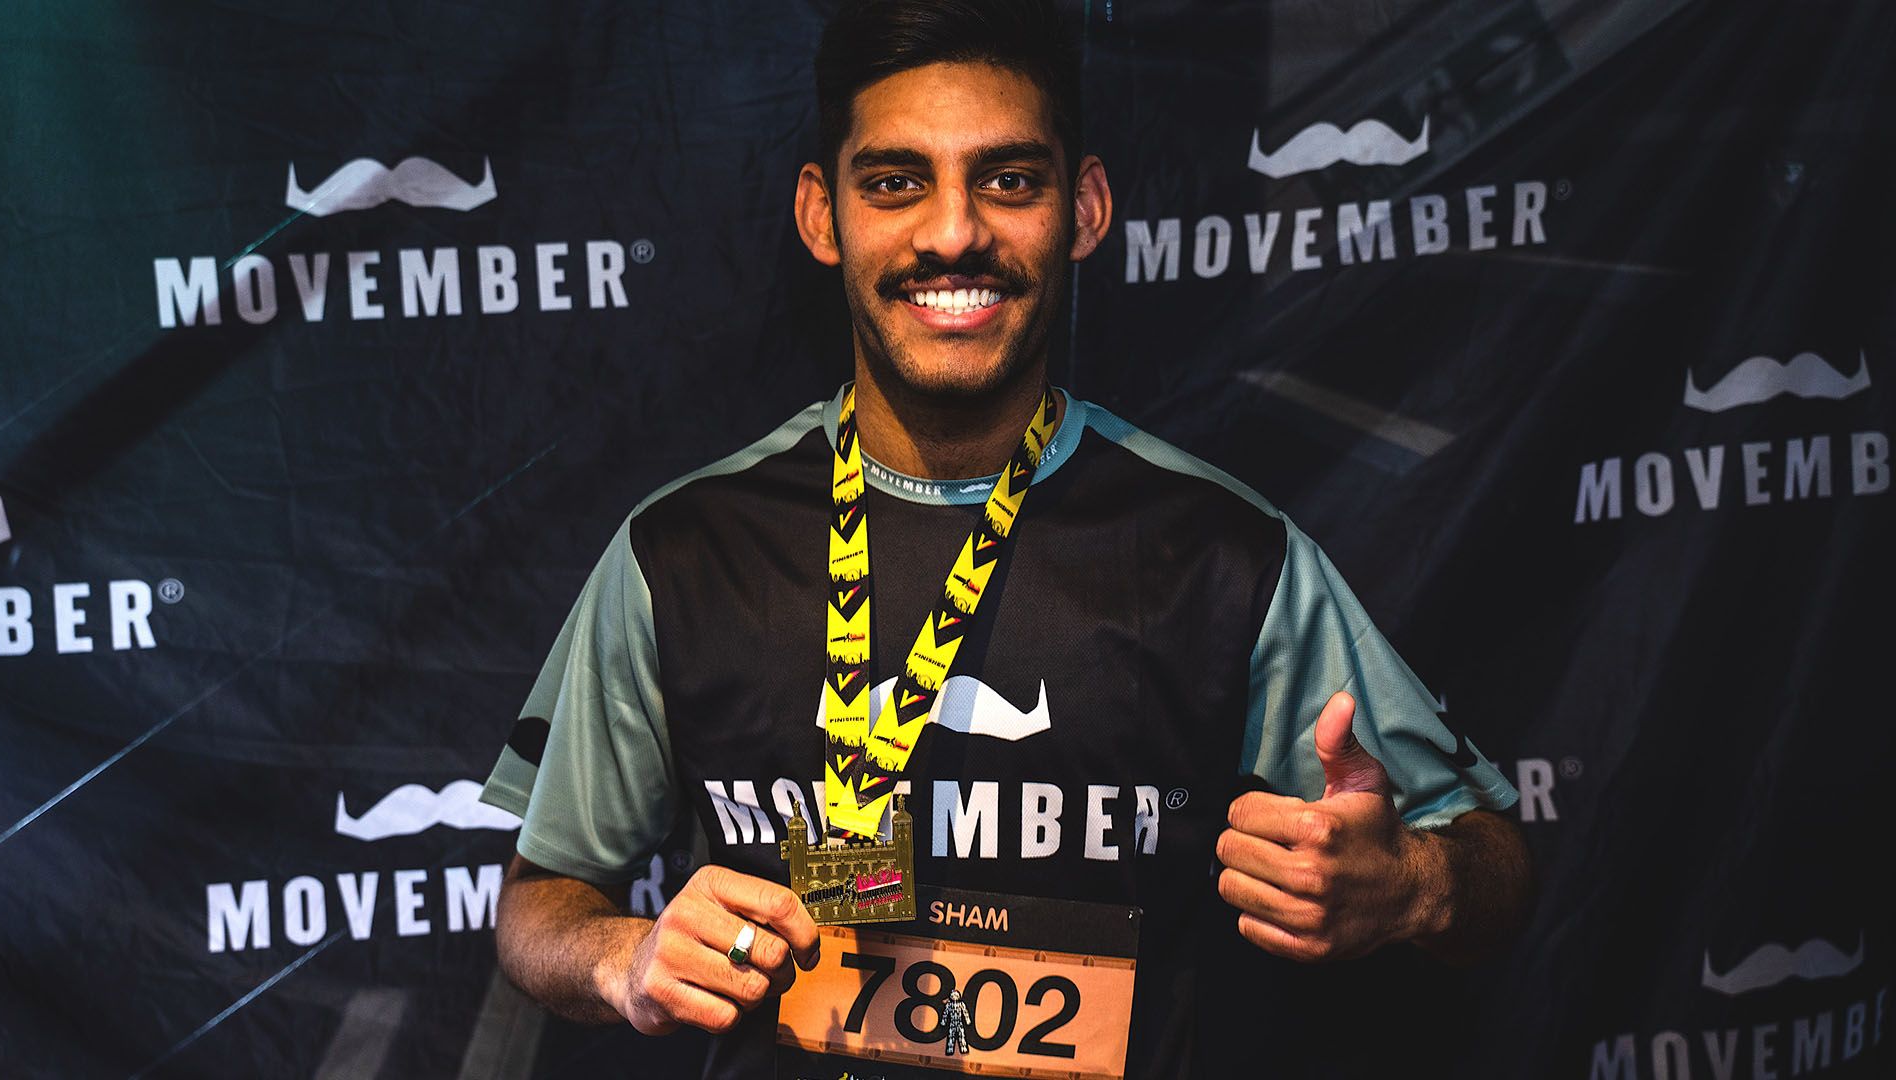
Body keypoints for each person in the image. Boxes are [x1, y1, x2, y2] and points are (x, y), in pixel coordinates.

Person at [480, 1, 1531, 1077]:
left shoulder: (1220, 556)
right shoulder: (686, 553)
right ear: (821, 213)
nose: (952, 232)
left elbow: (1494, 864)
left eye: (1008, 180)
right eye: (895, 182)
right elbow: (537, 904)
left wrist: (1413, 883)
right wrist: (622, 953)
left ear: (1082, 208)